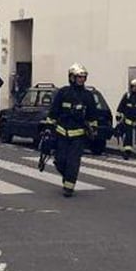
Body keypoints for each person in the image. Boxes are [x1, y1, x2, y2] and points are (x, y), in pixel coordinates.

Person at [44, 63, 98, 198]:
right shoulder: (63, 93)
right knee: (60, 160)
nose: (81, 80)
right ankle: (68, 176)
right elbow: (53, 112)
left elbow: (92, 115)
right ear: (71, 77)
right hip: (61, 134)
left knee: (73, 162)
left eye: (83, 77)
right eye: (78, 77)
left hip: (78, 136)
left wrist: (94, 129)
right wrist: (49, 129)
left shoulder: (88, 96)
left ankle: (69, 187)